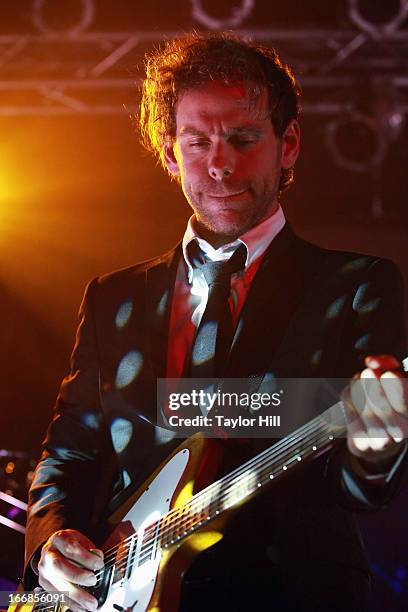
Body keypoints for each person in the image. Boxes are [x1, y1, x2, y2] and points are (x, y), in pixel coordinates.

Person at [24, 33, 407, 612]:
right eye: (197, 141)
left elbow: (355, 487)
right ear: (169, 152)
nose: (221, 163)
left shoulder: (357, 285)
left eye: (244, 138)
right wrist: (50, 541)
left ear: (290, 143)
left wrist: (375, 447)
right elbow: (70, 451)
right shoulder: (114, 297)